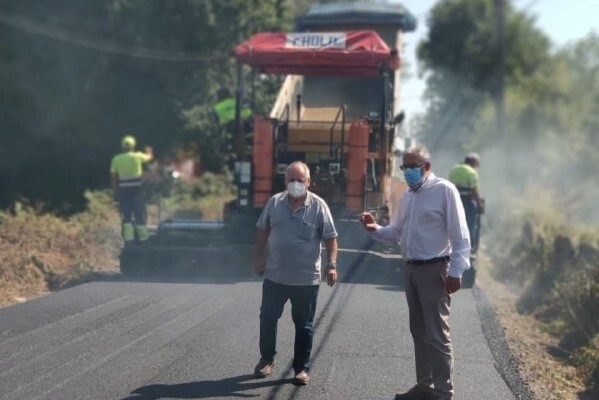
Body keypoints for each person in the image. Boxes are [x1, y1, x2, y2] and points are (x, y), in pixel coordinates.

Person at [359, 145, 471, 400]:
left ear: (427, 167)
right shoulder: (409, 196)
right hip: (411, 269)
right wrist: (374, 228)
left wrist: (456, 270)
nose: (408, 171)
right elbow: (396, 232)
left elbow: (460, 234)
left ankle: (444, 392)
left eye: (413, 166)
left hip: (436, 269)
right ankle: (425, 386)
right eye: (405, 167)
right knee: (419, 332)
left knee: (437, 334)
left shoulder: (444, 191)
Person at [253, 161, 338, 386]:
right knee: (267, 318)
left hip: (306, 280)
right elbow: (263, 231)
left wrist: (331, 265)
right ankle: (266, 360)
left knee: (304, 325)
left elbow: (330, 238)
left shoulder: (319, 206)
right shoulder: (274, 203)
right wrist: (258, 258)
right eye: (291, 179)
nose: (296, 184)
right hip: (275, 276)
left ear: (309, 182)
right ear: (285, 181)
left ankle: (301, 369)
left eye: (300, 180)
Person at [110, 135, 153, 245]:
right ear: (133, 145)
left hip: (123, 190)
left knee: (126, 215)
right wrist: (149, 151)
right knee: (139, 213)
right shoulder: (137, 156)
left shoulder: (116, 159)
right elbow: (149, 157)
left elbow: (114, 178)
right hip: (137, 189)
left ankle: (129, 239)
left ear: (122, 146)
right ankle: (144, 238)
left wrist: (115, 192)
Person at [448, 152, 483, 254]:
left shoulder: (454, 169)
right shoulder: (471, 172)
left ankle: (451, 246)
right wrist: (479, 204)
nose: (476, 167)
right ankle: (468, 248)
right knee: (470, 224)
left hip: (454, 200)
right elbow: (474, 190)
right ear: (472, 163)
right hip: (467, 201)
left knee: (453, 224)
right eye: (475, 165)